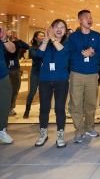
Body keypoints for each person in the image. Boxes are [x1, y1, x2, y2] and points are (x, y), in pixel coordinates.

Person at [34, 20, 72, 148]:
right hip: (45, 79)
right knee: (44, 108)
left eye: (62, 27)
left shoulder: (68, 43)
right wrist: (46, 39)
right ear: (51, 29)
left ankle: (60, 134)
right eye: (56, 27)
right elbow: (39, 54)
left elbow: (63, 52)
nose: (59, 29)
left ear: (65, 31)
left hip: (61, 79)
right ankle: (43, 133)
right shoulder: (46, 42)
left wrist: (54, 39)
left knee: (60, 109)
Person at [68, 10, 100, 143]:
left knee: (91, 104)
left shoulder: (97, 35)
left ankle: (90, 127)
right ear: (79, 20)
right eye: (86, 17)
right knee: (76, 103)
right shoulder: (73, 37)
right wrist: (83, 54)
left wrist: (92, 54)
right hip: (76, 73)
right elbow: (69, 53)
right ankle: (79, 130)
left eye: (90, 17)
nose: (89, 19)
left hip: (92, 74)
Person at [4, 30, 29, 115]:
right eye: (9, 33)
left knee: (15, 90)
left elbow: (27, 47)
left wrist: (18, 39)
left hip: (15, 69)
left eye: (12, 33)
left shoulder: (17, 43)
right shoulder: (3, 43)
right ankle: (5, 108)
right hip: (5, 70)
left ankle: (11, 108)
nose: (10, 35)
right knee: (5, 90)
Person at [23, 31, 45, 119]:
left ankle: (42, 111)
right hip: (35, 72)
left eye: (44, 36)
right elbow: (36, 57)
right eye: (41, 36)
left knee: (43, 93)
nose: (43, 37)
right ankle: (27, 110)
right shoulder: (32, 48)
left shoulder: (47, 47)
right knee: (32, 91)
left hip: (44, 73)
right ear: (35, 38)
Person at [0, 27, 16, 143]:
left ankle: (2, 129)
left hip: (2, 72)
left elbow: (12, 49)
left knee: (5, 101)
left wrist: (5, 39)